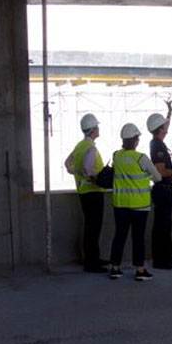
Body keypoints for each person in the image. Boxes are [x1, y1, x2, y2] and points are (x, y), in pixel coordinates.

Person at [109, 123, 161, 281]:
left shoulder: (116, 155)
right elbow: (157, 177)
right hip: (139, 206)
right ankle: (139, 270)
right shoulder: (141, 158)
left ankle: (115, 268)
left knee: (119, 235)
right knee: (138, 237)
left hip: (120, 204)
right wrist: (146, 176)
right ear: (136, 140)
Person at [64, 113, 108, 273]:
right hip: (93, 193)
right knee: (94, 228)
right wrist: (97, 179)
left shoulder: (79, 146)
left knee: (90, 227)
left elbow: (67, 164)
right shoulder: (91, 148)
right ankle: (92, 263)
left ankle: (93, 258)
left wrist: (77, 172)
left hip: (83, 193)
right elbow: (90, 169)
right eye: (97, 127)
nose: (99, 129)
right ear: (93, 129)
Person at [147, 101, 172, 270]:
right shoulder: (157, 146)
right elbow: (160, 172)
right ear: (160, 129)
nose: (166, 127)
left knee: (165, 225)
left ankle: (168, 256)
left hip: (163, 191)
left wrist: (169, 111)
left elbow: (165, 124)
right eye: (164, 125)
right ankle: (160, 260)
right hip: (163, 191)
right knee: (162, 226)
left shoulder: (157, 142)